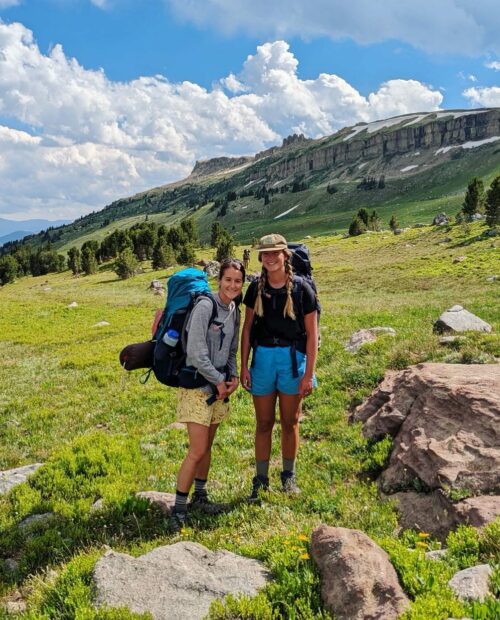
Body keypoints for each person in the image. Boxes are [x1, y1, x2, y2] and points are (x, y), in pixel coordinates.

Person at [240, 234, 318, 500]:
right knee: (263, 423)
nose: (270, 258)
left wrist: (309, 375)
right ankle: (260, 480)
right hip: (262, 359)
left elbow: (312, 334)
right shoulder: (255, 289)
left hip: (292, 360)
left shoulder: (302, 289)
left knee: (290, 422)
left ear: (286, 255)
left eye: (276, 253)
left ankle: (288, 476)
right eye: (265, 254)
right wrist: (243, 367)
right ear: (261, 258)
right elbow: (247, 329)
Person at [170, 258, 245, 530]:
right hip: (197, 389)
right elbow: (196, 353)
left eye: (238, 281)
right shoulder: (205, 306)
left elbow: (232, 349)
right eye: (228, 280)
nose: (233, 285)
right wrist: (218, 381)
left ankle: (200, 496)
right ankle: (178, 510)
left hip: (219, 389)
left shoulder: (235, 310)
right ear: (219, 280)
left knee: (207, 447)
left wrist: (233, 376)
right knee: (197, 450)